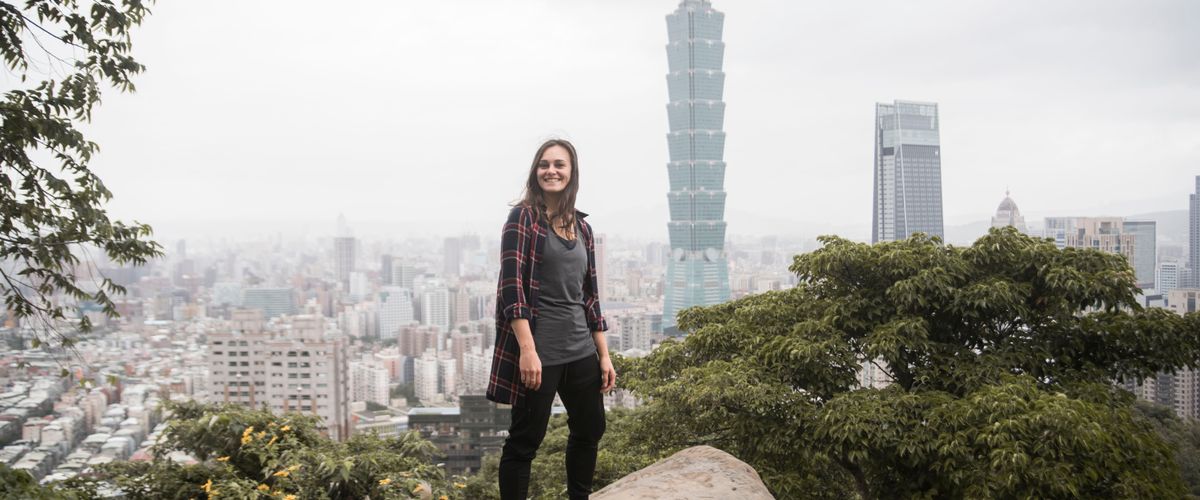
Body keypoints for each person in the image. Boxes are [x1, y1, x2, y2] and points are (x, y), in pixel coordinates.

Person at [487, 138, 617, 500]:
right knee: (525, 441)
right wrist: (528, 351)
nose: (551, 170)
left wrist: (603, 354)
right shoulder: (523, 219)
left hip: (580, 349)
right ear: (535, 171)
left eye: (559, 164)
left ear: (572, 173)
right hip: (539, 352)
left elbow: (589, 296)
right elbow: (512, 289)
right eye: (544, 164)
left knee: (590, 429)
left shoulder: (583, 229)